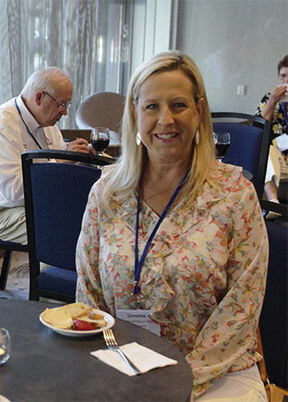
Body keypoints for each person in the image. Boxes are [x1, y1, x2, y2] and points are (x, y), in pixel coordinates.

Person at [76, 51, 268, 400]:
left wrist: (178, 382)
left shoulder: (234, 196)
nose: (166, 120)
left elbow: (241, 309)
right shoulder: (106, 194)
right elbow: (88, 293)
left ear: (199, 111)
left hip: (216, 371)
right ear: (134, 113)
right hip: (123, 363)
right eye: (152, 107)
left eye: (178, 105)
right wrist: (110, 364)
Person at [0, 67, 93, 244]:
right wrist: (61, 160)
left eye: (67, 105)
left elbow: (58, 160)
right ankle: (51, 272)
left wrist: (78, 157)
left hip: (39, 202)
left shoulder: (47, 121)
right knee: (65, 226)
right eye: (62, 104)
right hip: (0, 213)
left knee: (91, 213)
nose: (65, 112)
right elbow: (13, 191)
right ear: (39, 97)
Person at [255, 54, 288, 204]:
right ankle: (273, 202)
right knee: (266, 151)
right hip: (273, 157)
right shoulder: (269, 98)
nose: (286, 81)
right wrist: (273, 102)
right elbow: (257, 128)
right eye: (283, 76)